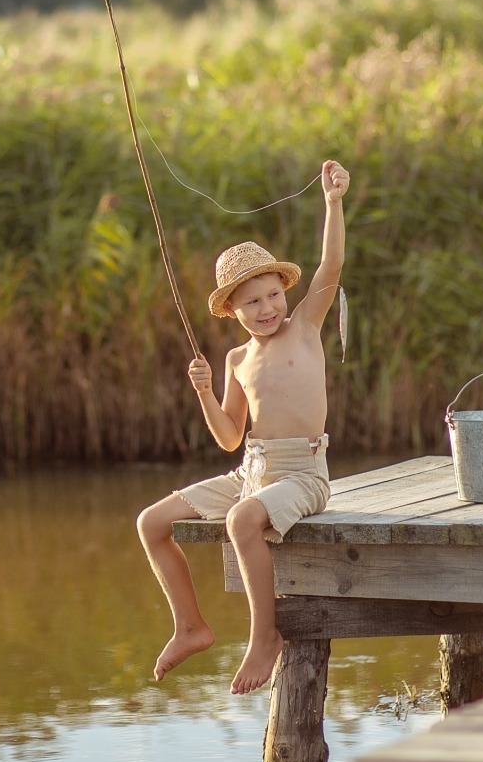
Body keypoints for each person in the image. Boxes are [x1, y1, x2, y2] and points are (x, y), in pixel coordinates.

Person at [136, 159, 349, 694]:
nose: (267, 308)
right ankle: (190, 625)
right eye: (251, 302)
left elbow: (331, 266)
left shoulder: (304, 328)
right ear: (231, 311)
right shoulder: (235, 360)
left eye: (273, 294)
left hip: (302, 474)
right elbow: (230, 437)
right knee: (151, 523)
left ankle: (264, 636)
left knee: (241, 522)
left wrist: (333, 202)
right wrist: (205, 392)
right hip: (250, 470)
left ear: (284, 291)